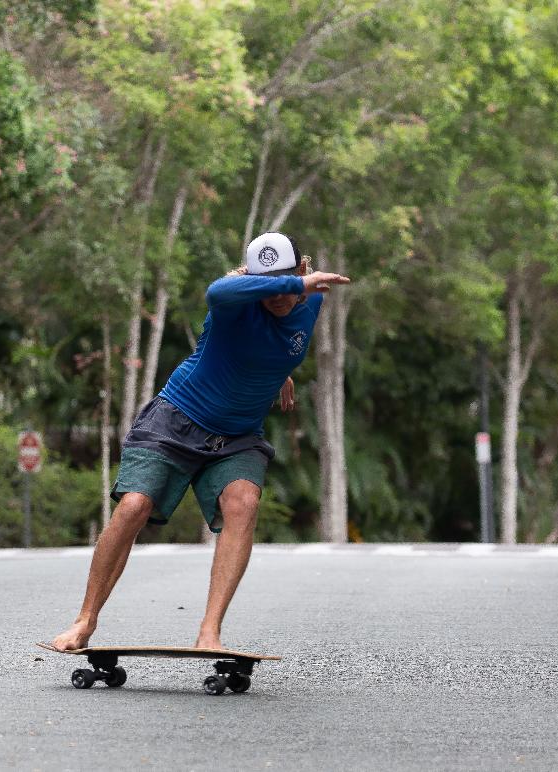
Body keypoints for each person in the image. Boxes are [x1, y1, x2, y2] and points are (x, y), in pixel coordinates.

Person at [51, 232, 350, 651]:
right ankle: (84, 621)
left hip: (238, 434)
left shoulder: (311, 301)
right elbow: (217, 291)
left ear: (301, 267)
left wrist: (279, 372)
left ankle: (209, 632)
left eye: (287, 280)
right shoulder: (235, 303)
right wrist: (295, 284)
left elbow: (276, 341)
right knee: (134, 506)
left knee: (243, 504)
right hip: (178, 418)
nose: (279, 296)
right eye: (268, 285)